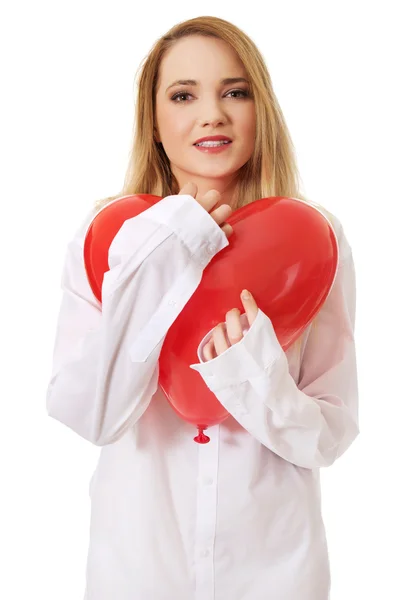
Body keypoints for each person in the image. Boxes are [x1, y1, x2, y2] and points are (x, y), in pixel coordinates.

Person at [46, 15, 359, 600]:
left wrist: (252, 375)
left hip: (277, 574)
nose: (211, 113)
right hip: (138, 572)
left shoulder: (315, 240)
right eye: (183, 94)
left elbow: (330, 435)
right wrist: (157, 263)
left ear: (259, 110)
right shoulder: (110, 239)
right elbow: (91, 414)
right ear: (156, 124)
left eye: (234, 92)